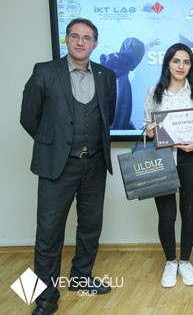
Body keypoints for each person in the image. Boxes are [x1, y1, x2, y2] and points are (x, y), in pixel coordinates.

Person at [20, 18, 116, 315]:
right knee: (48, 233)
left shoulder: (106, 75)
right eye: (75, 36)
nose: (80, 42)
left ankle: (81, 277)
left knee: (90, 227)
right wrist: (54, 144)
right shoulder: (45, 71)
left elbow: (108, 115)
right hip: (56, 166)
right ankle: (45, 297)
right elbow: (29, 117)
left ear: (95, 44)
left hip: (94, 165)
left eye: (87, 38)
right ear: (66, 39)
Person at [144, 43, 193, 288]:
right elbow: (147, 126)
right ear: (168, 64)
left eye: (186, 62)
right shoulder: (154, 92)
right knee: (166, 215)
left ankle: (185, 262)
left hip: (191, 159)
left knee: (189, 212)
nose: (181, 66)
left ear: (191, 66)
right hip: (162, 159)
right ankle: (170, 262)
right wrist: (151, 130)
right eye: (176, 61)